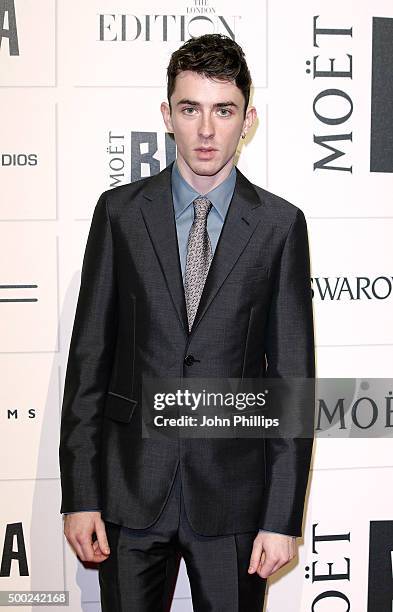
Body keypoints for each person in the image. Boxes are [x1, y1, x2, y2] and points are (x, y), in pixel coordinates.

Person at [59, 33, 315, 611]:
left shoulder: (280, 227)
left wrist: (281, 517)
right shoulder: (119, 214)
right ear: (166, 115)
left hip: (233, 505)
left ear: (247, 119)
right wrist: (79, 495)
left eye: (222, 111)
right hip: (129, 495)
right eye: (190, 108)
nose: (205, 130)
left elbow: (293, 384)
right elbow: (89, 362)